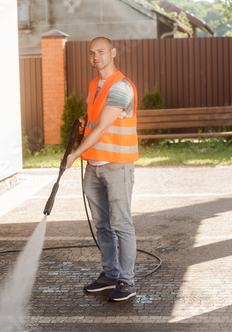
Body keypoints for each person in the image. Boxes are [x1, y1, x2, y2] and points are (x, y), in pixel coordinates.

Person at [65, 37, 139, 302]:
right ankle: (110, 275)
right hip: (94, 167)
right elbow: (95, 119)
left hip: (117, 166)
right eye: (92, 53)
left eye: (101, 52)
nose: (96, 57)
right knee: (103, 225)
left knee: (121, 224)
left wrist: (74, 154)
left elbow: (102, 127)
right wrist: (84, 120)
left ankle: (126, 282)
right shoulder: (94, 86)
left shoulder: (121, 87)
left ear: (113, 53)